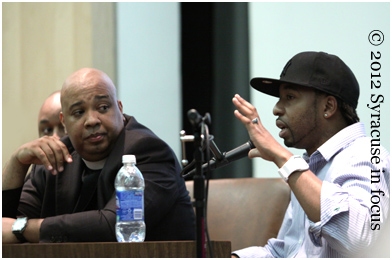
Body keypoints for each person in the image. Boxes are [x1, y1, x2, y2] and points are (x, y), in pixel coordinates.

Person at [2, 68, 195, 243]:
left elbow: (114, 225)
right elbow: (6, 227)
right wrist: (17, 163)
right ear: (64, 123)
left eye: (103, 108)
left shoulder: (149, 151)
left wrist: (25, 229)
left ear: (119, 108)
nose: (92, 121)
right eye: (78, 112)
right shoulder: (54, 158)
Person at [231, 51, 390, 257]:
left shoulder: (367, 154)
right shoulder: (308, 168)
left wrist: (283, 158)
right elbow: (286, 252)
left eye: (289, 97)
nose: (276, 109)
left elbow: (360, 238)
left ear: (328, 106)